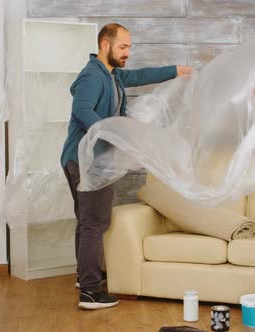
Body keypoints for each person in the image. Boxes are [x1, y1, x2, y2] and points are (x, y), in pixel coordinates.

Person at [60, 23, 192, 310]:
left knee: (87, 221)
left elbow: (140, 76)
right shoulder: (92, 76)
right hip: (86, 160)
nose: (128, 52)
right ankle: (91, 292)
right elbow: (81, 110)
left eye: (130, 47)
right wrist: (112, 134)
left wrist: (176, 70)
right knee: (95, 222)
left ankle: (85, 280)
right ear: (104, 45)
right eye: (123, 46)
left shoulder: (112, 75)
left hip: (88, 159)